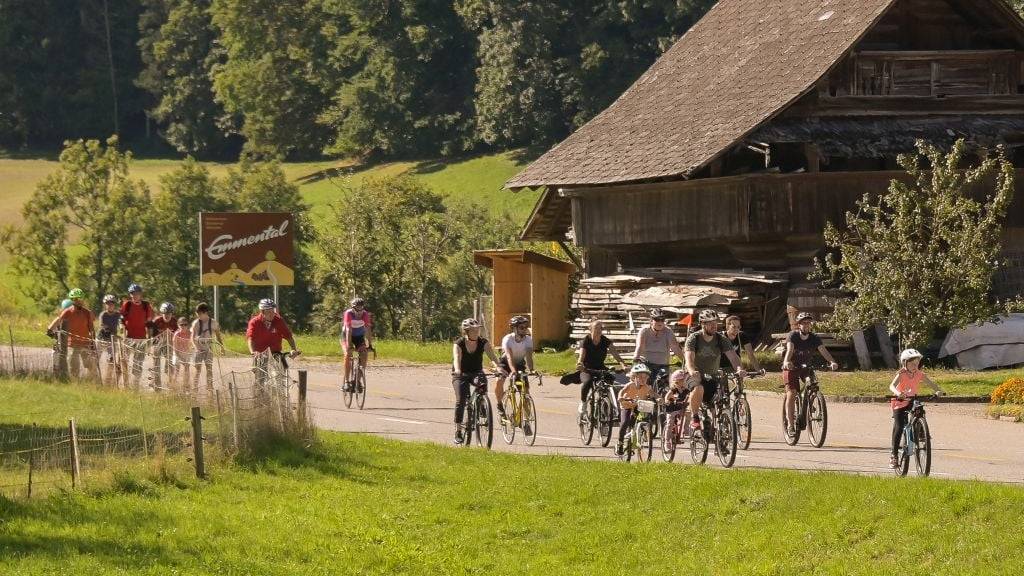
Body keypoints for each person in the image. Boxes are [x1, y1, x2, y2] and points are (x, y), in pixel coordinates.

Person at [683, 309, 746, 434]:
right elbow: (689, 358)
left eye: (715, 322)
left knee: (720, 399)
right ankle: (695, 418)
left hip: (713, 375)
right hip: (695, 375)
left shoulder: (720, 339)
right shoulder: (694, 338)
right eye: (710, 323)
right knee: (699, 388)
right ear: (702, 324)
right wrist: (691, 370)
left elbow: (734, 357)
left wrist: (739, 369)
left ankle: (719, 432)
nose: (714, 326)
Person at [781, 312, 839, 435]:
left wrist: (832, 362)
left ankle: (810, 399)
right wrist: (786, 361)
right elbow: (790, 349)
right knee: (792, 392)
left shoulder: (814, 338)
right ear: (799, 325)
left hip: (805, 367)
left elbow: (823, 351)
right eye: (804, 323)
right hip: (791, 367)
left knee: (812, 383)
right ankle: (791, 425)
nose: (807, 325)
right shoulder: (793, 336)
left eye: (809, 323)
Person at [888, 348, 945, 469]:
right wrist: (898, 393)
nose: (915, 366)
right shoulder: (901, 373)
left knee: (919, 407)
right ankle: (894, 455)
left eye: (917, 363)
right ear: (905, 363)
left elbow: (931, 383)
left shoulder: (919, 374)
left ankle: (920, 430)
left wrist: (938, 390)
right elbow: (892, 386)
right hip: (900, 401)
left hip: (911, 400)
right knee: (898, 426)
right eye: (912, 363)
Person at [451, 318, 500, 445]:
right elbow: (457, 358)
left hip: (476, 372)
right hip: (461, 373)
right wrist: (457, 369)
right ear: (467, 331)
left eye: (478, 329)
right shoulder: (459, 343)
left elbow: (493, 357)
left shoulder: (483, 342)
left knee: (483, 381)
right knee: (461, 399)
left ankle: (482, 405)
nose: (477, 331)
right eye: (474, 330)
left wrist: (498, 367)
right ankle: (458, 431)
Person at [246, 298, 300, 387]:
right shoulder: (254, 322)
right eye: (269, 312)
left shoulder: (278, 320)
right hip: (260, 353)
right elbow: (250, 338)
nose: (272, 314)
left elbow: (288, 336)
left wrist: (294, 349)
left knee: (284, 367)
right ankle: (259, 393)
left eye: (273, 311)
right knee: (261, 377)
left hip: (275, 351)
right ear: (262, 312)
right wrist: (253, 351)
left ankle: (281, 392)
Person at [576, 320, 626, 414]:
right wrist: (580, 364)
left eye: (601, 328)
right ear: (590, 329)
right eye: (596, 328)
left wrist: (623, 364)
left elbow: (615, 353)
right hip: (587, 368)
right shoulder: (586, 340)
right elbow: (581, 355)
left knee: (612, 381)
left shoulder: (604, 340)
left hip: (600, 367)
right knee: (587, 382)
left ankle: (606, 403)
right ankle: (583, 403)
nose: (599, 330)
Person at [46, 288, 97, 379]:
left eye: (80, 299)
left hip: (85, 343)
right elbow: (59, 320)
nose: (79, 301)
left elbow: (92, 329)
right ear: (73, 300)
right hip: (72, 344)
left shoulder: (87, 313)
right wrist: (50, 329)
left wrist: (93, 342)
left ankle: (94, 381)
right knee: (74, 366)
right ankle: (75, 383)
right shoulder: (68, 312)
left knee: (90, 365)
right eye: (76, 299)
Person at [495, 315, 537, 417]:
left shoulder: (528, 340)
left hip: (519, 364)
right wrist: (513, 371)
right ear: (514, 328)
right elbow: (509, 357)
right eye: (521, 328)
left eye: (525, 327)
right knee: (499, 381)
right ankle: (499, 404)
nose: (524, 330)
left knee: (525, 391)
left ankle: (527, 419)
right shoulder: (507, 339)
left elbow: (528, 357)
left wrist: (531, 369)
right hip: (505, 363)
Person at [633, 308, 684, 385]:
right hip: (646, 364)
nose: (660, 322)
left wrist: (685, 361)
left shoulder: (668, 331)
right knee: (643, 382)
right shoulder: (644, 331)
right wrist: (635, 361)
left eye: (662, 320)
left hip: (663, 365)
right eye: (657, 320)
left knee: (664, 383)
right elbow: (639, 347)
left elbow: (675, 348)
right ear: (651, 321)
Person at [615, 363, 656, 455]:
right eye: (640, 377)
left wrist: (659, 398)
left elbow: (653, 394)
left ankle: (637, 437)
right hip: (627, 405)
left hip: (638, 406)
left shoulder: (647, 387)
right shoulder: (630, 385)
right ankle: (620, 443)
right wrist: (621, 397)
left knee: (643, 419)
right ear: (634, 377)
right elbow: (622, 391)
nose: (643, 379)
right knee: (625, 422)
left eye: (645, 377)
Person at [120, 283, 154, 389]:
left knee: (138, 363)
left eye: (137, 294)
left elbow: (149, 323)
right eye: (133, 294)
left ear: (141, 294)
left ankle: (135, 385)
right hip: (129, 338)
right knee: (124, 360)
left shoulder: (146, 305)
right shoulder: (127, 305)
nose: (135, 296)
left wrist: (149, 338)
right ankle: (125, 385)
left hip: (141, 338)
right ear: (130, 295)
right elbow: (121, 319)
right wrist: (122, 329)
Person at [341, 297, 373, 392]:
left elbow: (368, 330)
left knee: (364, 354)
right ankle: (346, 382)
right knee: (348, 355)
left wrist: (370, 345)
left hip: (359, 337)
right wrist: (349, 346)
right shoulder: (348, 313)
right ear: (353, 308)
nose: (359, 312)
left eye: (361, 309)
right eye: (356, 309)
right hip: (346, 336)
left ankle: (357, 381)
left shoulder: (365, 314)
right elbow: (348, 330)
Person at [190, 303, 222, 395]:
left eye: (199, 313)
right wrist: (196, 347)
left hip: (208, 349)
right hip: (198, 350)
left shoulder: (213, 323)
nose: (198, 315)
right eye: (197, 314)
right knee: (197, 369)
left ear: (205, 312)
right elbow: (192, 337)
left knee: (209, 369)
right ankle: (195, 388)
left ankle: (210, 389)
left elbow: (218, 335)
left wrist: (221, 347)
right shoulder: (196, 323)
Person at [149, 302, 177, 390]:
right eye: (165, 313)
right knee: (156, 365)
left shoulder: (174, 322)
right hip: (157, 344)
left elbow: (177, 335)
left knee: (169, 365)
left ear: (172, 313)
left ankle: (170, 384)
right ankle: (157, 386)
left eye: (169, 313)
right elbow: (151, 335)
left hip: (169, 344)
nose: (167, 315)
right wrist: (151, 347)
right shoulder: (156, 321)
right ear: (162, 313)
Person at [97, 294, 122, 386]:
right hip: (101, 339)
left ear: (114, 305)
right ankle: (95, 377)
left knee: (111, 359)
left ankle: (107, 380)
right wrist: (109, 331)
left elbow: (121, 323)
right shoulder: (103, 314)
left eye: (112, 303)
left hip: (111, 341)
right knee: (95, 358)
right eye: (108, 303)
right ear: (105, 305)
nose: (110, 305)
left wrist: (121, 328)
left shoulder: (117, 315)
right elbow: (102, 325)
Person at [172, 317, 193, 391]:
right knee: (177, 369)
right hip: (177, 353)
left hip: (186, 353)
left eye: (185, 324)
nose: (183, 326)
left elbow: (192, 344)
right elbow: (175, 347)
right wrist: (179, 358)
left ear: (188, 325)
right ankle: (173, 385)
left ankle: (186, 385)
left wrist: (190, 352)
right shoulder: (177, 334)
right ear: (178, 325)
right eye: (181, 325)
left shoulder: (190, 333)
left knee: (187, 368)